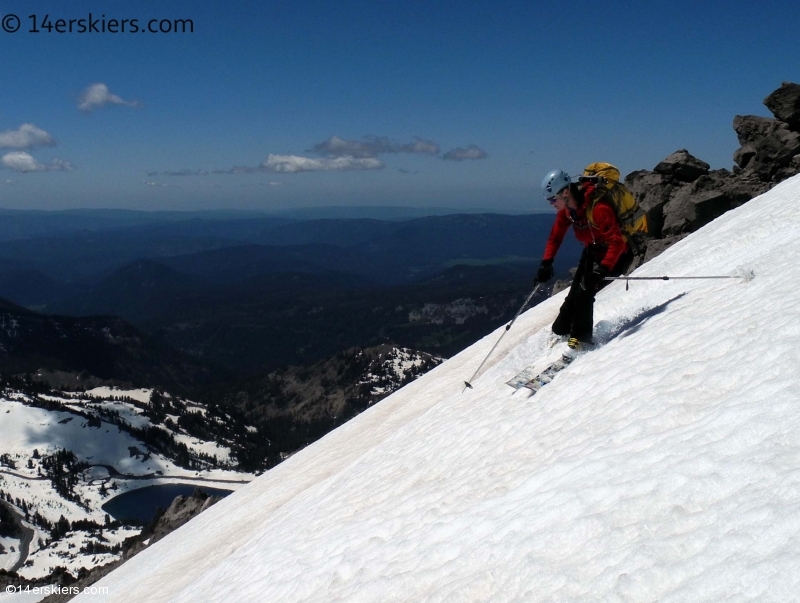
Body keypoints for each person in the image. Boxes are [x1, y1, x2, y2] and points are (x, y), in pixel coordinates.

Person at [536, 169, 633, 351]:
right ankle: (562, 331)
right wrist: (546, 263)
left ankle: (582, 341)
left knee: (584, 294)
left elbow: (617, 242)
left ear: (565, 193)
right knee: (572, 298)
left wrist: (603, 269)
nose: (551, 204)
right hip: (593, 251)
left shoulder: (598, 209)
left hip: (616, 255)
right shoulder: (568, 211)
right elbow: (555, 238)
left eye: (552, 199)